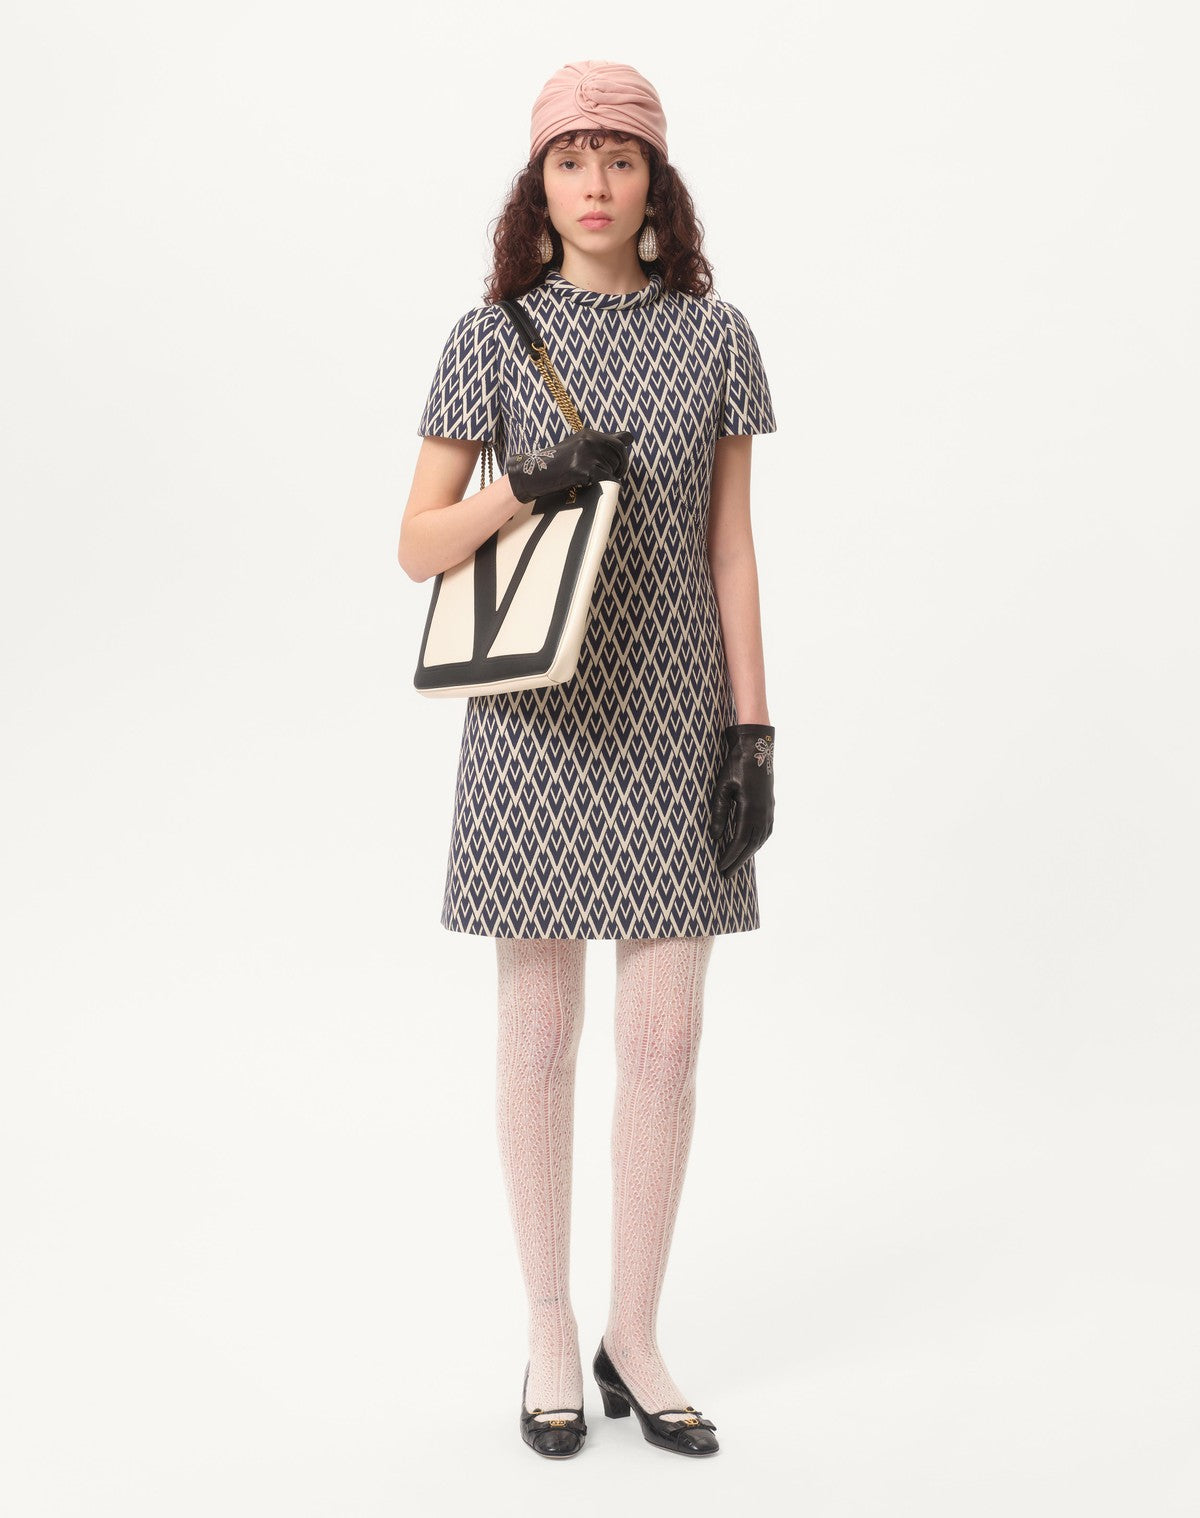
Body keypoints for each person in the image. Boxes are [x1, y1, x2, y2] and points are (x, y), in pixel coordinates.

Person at [398, 59, 778, 1460]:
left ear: (656, 181)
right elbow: (416, 543)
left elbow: (731, 549)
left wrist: (754, 728)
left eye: (622, 158)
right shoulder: (489, 338)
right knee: (541, 1037)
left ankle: (638, 1329)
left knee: (666, 1044)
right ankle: (551, 1326)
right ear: (539, 182)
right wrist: (525, 488)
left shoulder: (717, 337)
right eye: (573, 159)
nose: (597, 184)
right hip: (536, 722)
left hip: (678, 715)